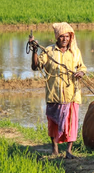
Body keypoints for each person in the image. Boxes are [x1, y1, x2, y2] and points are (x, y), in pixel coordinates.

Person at [29, 22, 86, 159]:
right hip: (54, 94)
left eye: (67, 36)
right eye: (62, 36)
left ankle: (69, 151)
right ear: (57, 37)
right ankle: (54, 149)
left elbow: (82, 67)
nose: (65, 39)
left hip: (72, 94)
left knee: (71, 122)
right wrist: (35, 50)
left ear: (70, 38)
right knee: (53, 122)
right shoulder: (49, 51)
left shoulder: (75, 52)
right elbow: (35, 66)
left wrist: (81, 73)